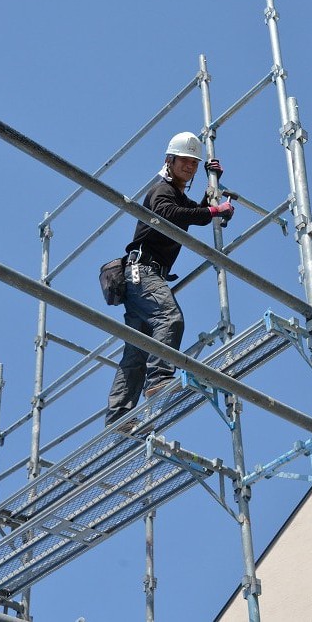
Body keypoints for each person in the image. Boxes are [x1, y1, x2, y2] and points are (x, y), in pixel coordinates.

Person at [105, 131, 234, 431]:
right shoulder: (160, 191)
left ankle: (119, 417)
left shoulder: (176, 195)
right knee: (170, 318)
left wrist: (211, 186)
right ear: (170, 161)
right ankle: (160, 379)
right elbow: (172, 213)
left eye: (194, 163)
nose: (189, 167)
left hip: (141, 276)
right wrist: (213, 210)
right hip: (143, 274)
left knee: (137, 349)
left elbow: (193, 214)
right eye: (185, 161)